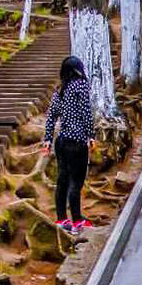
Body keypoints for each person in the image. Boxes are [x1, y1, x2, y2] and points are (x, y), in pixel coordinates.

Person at [43, 56, 94, 236]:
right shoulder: (80, 85)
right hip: (77, 141)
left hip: (61, 141)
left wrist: (47, 139)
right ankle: (77, 221)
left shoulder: (60, 90)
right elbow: (86, 112)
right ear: (78, 70)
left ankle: (61, 219)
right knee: (76, 182)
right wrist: (91, 135)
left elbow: (51, 116)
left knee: (62, 179)